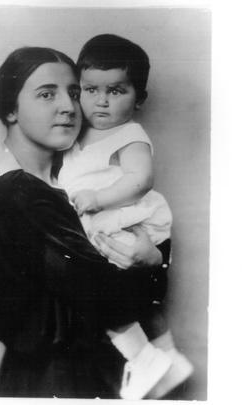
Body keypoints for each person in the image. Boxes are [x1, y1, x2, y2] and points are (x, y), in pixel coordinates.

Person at [0, 46, 172, 399]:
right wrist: (155, 264)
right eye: (47, 94)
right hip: (56, 379)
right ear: (10, 109)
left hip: (88, 370)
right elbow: (113, 297)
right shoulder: (23, 194)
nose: (68, 106)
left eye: (74, 93)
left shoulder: (62, 179)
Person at [58, 34, 193, 400]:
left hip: (126, 220)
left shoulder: (130, 135)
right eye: (90, 90)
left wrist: (99, 198)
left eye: (116, 91)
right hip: (107, 224)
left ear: (139, 100)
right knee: (130, 295)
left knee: (101, 291)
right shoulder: (76, 137)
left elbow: (141, 179)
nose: (101, 101)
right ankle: (168, 358)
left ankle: (145, 359)